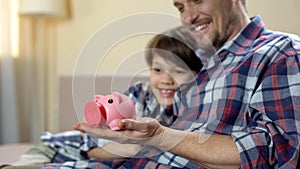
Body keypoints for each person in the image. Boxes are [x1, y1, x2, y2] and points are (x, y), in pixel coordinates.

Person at [69, 0, 300, 169]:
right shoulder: (199, 60)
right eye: (180, 7)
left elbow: (280, 152)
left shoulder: (281, 53)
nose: (188, 18)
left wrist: (159, 137)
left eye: (197, 1)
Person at [0, 26, 202, 169]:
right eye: (157, 69)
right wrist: (135, 148)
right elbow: (92, 150)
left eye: (178, 71)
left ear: (198, 74)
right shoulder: (139, 95)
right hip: (66, 149)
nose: (166, 80)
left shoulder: (199, 110)